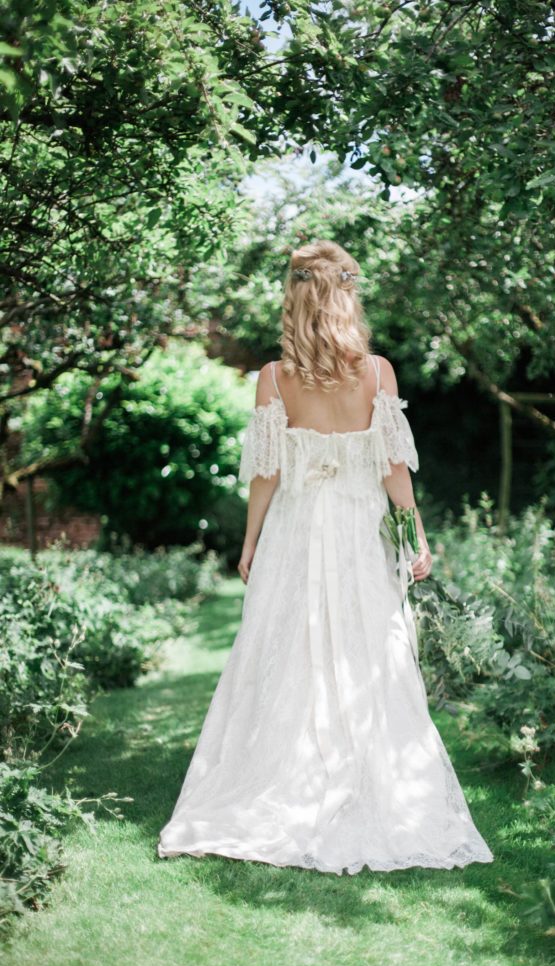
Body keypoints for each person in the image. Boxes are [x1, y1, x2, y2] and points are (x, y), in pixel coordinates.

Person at [157, 239, 494, 874]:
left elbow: (266, 473)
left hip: (296, 530)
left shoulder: (273, 378)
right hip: (359, 528)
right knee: (367, 650)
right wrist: (414, 532)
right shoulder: (377, 373)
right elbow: (394, 468)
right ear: (344, 297)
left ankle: (283, 776)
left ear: (294, 300)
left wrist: (251, 540)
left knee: (289, 651)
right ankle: (364, 777)